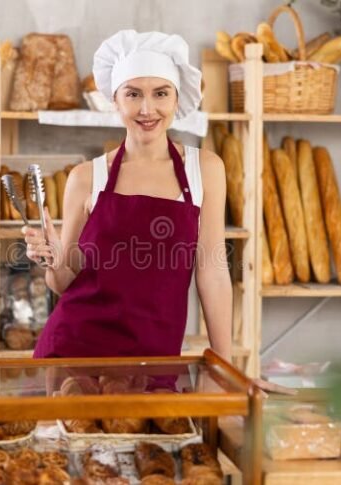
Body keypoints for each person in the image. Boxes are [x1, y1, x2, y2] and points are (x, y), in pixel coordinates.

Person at [23, 30, 234, 362]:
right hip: (74, 354)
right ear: (115, 100)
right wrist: (54, 259)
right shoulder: (86, 177)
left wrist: (226, 367)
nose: (147, 109)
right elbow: (64, 283)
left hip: (156, 359)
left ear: (176, 99)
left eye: (160, 93)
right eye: (133, 94)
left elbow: (214, 274)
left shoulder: (204, 169)